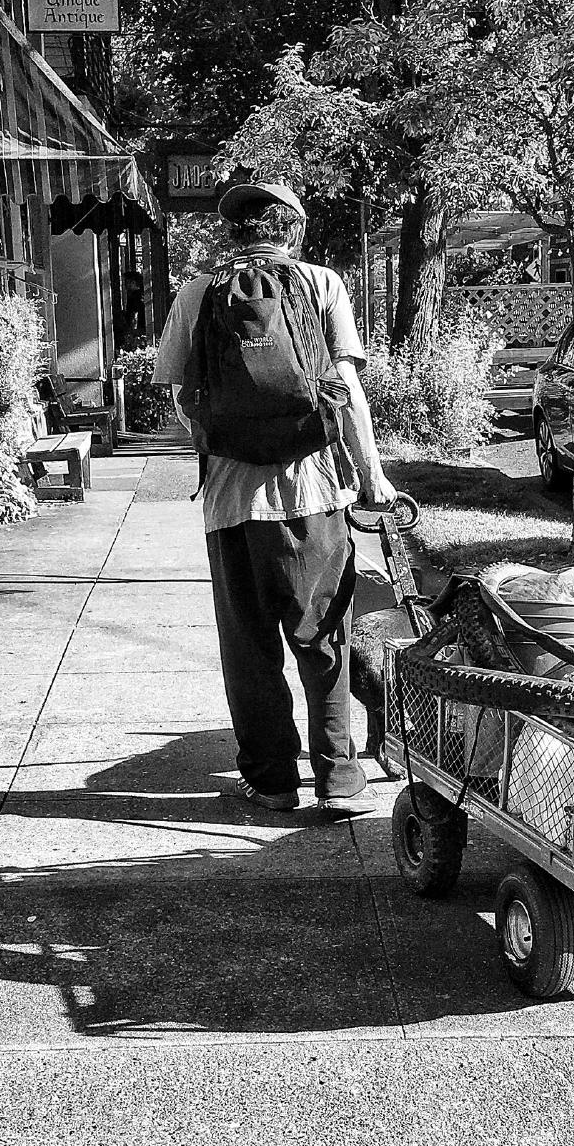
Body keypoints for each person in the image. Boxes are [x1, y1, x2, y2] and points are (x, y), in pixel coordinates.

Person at [153, 181, 395, 813]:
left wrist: (219, 438)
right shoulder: (321, 285)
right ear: (296, 231)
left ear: (233, 234)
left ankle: (273, 780)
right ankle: (339, 779)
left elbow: (177, 392)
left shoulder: (198, 293)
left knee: (249, 647)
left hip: (230, 506)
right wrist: (372, 478)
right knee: (323, 639)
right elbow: (345, 390)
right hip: (315, 494)